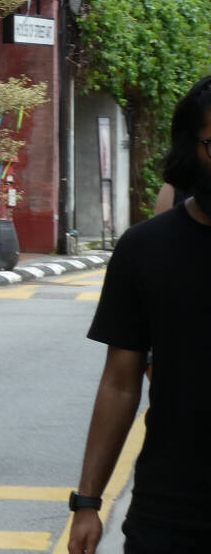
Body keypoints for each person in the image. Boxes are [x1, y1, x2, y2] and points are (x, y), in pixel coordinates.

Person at [68, 76, 211, 553]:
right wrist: (88, 500)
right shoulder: (146, 250)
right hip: (170, 512)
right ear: (192, 149)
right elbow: (120, 382)